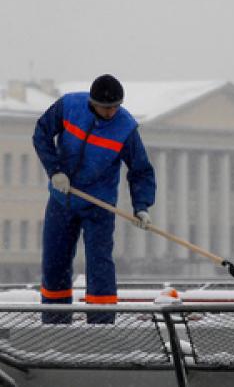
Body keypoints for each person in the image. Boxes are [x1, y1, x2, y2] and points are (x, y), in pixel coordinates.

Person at [33, 74, 156, 324]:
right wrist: (55, 170)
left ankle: (101, 325)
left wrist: (141, 207)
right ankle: (55, 322)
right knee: (55, 262)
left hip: (99, 205)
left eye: (115, 107)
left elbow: (140, 170)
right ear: (92, 102)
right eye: (106, 107)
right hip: (62, 198)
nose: (111, 113)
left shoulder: (126, 128)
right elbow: (42, 133)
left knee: (100, 266)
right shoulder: (69, 106)